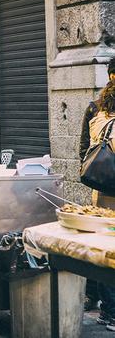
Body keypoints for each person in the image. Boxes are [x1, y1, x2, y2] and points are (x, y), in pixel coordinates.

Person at [85, 77, 115, 332]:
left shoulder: (97, 117)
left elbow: (84, 149)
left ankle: (109, 311)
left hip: (102, 192)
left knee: (106, 251)